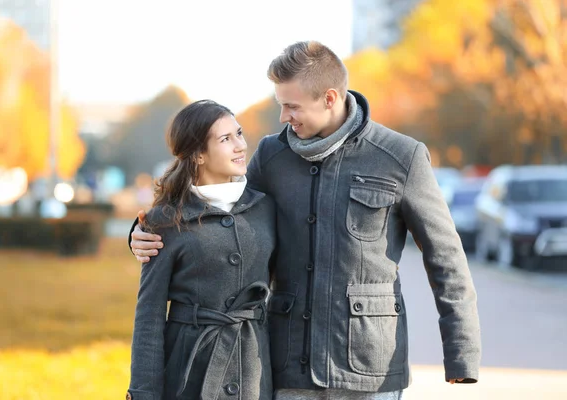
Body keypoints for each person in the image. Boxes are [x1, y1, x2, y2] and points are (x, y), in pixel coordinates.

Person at [130, 41, 481, 399]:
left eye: (291, 106)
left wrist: (462, 355)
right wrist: (145, 232)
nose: (283, 117)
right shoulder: (271, 154)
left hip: (369, 366)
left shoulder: (401, 157)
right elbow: (224, 214)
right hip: (287, 365)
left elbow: (446, 258)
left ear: (329, 98)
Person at [126, 100, 276, 400]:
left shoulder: (266, 208)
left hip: (254, 371)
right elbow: (149, 316)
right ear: (198, 155)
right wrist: (142, 393)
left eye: (239, 133)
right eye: (225, 139)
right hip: (188, 373)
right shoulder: (165, 220)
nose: (240, 146)